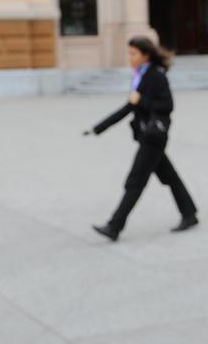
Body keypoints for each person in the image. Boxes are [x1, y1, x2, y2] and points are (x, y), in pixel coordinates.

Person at [84, 36, 198, 241]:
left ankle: (114, 226)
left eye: (133, 53)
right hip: (147, 135)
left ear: (146, 55)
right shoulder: (140, 75)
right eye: (129, 53)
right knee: (170, 177)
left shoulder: (156, 76)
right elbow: (129, 106)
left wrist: (141, 100)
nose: (130, 57)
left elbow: (167, 106)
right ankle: (189, 213)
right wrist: (98, 128)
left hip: (153, 137)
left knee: (135, 181)